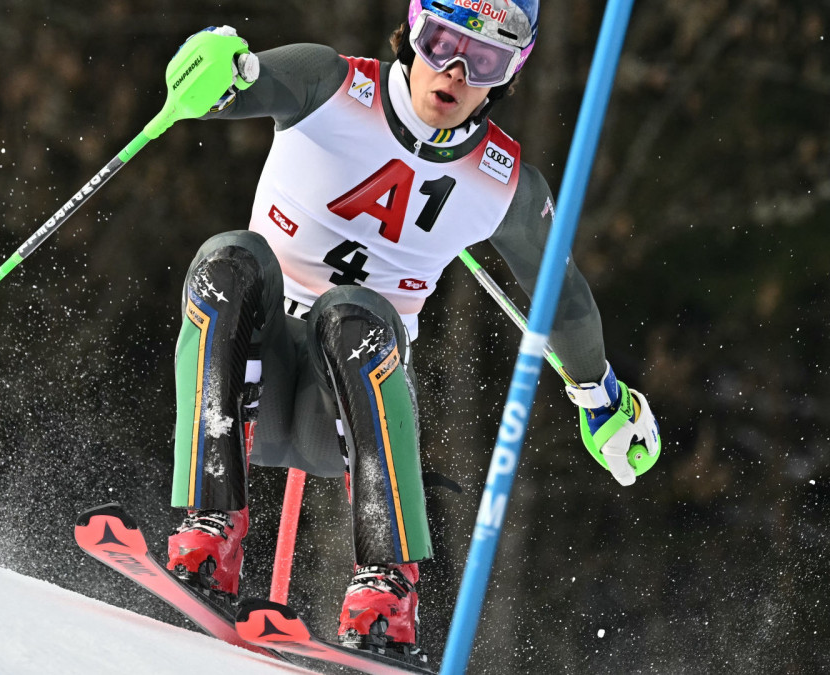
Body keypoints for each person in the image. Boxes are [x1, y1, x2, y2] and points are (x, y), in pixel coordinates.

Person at [161, 0, 662, 654]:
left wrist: (600, 398)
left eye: (483, 59)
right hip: (250, 379)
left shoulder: (503, 182)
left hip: (340, 415)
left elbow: (561, 300)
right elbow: (223, 91)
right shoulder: (329, 84)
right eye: (441, 42)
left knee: (355, 312)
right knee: (232, 258)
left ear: (510, 72)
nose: (453, 72)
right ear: (412, 30)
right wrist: (209, 65)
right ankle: (207, 529)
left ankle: (385, 587)